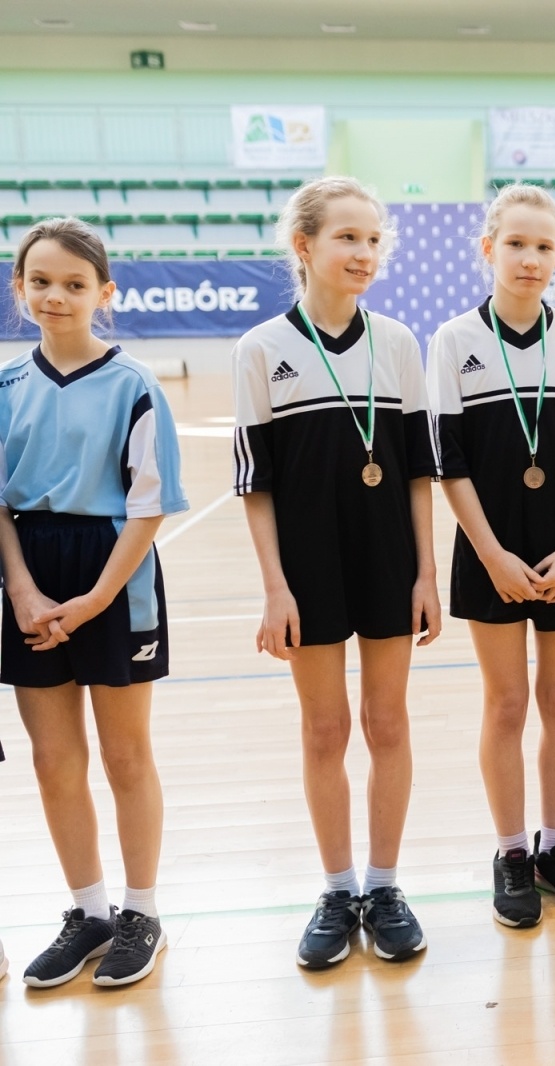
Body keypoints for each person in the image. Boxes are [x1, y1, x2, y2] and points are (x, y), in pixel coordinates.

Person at [233, 176, 442, 967]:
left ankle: (384, 887)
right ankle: (335, 888)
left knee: (386, 723)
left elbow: (420, 473)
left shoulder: (398, 344)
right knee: (325, 729)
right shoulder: (260, 349)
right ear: (305, 246)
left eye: (372, 240)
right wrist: (276, 587)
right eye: (346, 237)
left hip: (388, 558)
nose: (362, 253)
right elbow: (255, 487)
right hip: (308, 569)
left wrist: (426, 574)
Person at [2, 217, 187, 988]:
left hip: (113, 574)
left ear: (104, 293)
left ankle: (141, 910)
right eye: (40, 281)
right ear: (19, 289)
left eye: (74, 284)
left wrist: (95, 598)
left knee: (124, 754)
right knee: (53, 759)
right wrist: (21, 588)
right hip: (30, 578)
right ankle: (89, 911)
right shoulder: (7, 387)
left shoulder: (136, 385)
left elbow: (148, 507)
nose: (55, 296)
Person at [429, 183, 555, 924]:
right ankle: (511, 850)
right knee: (506, 703)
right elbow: (450, 463)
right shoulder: (453, 341)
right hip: (490, 552)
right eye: (517, 243)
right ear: (488, 249)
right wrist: (494, 555)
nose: (532, 258)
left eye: (545, 246)